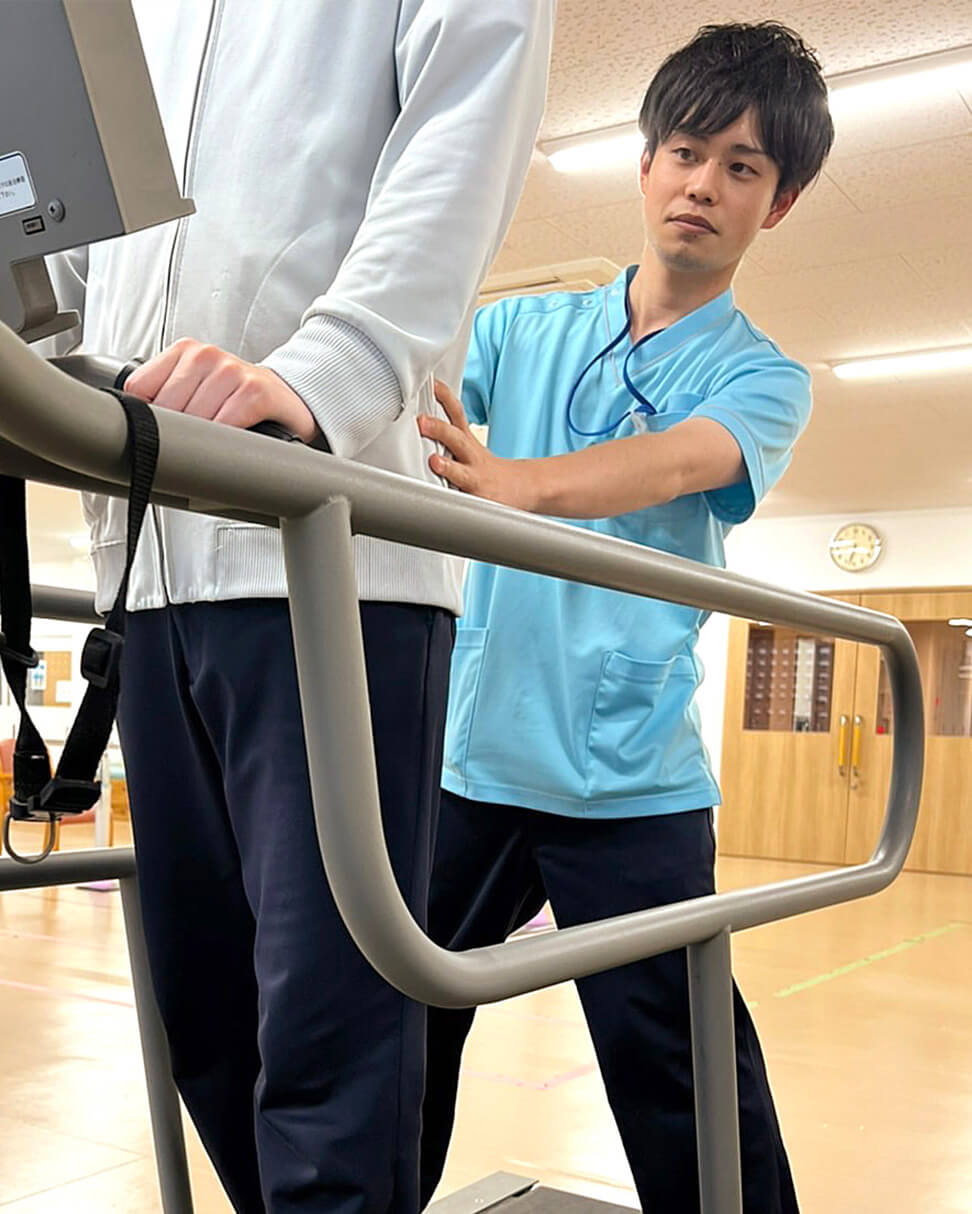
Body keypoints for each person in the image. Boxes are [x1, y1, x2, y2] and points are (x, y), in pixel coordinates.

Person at [47, 3, 554, 1211]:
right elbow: (66, 253)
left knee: (332, 1035)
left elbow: (455, 159)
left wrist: (319, 375)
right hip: (152, 559)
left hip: (332, 549)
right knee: (208, 1018)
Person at [416, 22, 834, 1213]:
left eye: (743, 168)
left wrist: (521, 480)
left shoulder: (762, 376)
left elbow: (674, 466)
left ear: (779, 202)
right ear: (646, 161)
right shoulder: (517, 332)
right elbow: (416, 410)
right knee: (392, 1026)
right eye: (688, 151)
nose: (704, 184)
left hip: (628, 781)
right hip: (473, 761)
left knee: (684, 1067)